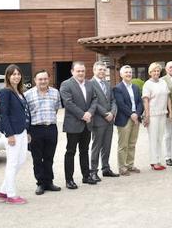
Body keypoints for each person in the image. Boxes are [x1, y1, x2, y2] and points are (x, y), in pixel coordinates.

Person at [60, 61, 98, 189]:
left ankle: (86, 176)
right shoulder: (66, 84)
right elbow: (68, 103)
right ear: (72, 72)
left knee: (84, 150)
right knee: (70, 151)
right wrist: (83, 115)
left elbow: (94, 99)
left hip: (87, 123)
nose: (81, 73)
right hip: (73, 124)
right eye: (78, 71)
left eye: (82, 71)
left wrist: (90, 113)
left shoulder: (89, 84)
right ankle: (69, 180)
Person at [24, 70, 62, 195]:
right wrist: (28, 132)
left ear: (49, 79)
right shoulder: (28, 94)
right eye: (40, 79)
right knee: (37, 158)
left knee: (49, 157)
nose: (43, 81)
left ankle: (49, 182)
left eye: (45, 79)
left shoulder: (55, 93)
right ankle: (40, 183)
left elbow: (56, 109)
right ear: (35, 80)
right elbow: (26, 114)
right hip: (35, 129)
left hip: (51, 128)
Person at [0, 64, 31, 205]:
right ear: (8, 76)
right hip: (12, 133)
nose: (16, 76)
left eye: (18, 74)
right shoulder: (5, 92)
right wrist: (9, 134)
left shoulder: (20, 92)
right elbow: (3, 114)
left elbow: (24, 113)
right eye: (13, 74)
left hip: (22, 131)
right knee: (12, 164)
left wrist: (27, 131)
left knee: (21, 160)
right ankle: (11, 195)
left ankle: (3, 190)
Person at [88, 61, 118, 181]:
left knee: (107, 145)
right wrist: (105, 114)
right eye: (99, 69)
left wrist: (112, 112)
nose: (102, 71)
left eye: (103, 70)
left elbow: (113, 100)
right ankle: (93, 171)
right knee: (97, 146)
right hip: (98, 120)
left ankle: (106, 168)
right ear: (94, 70)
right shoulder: (90, 84)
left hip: (109, 120)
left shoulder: (107, 83)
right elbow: (92, 101)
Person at [113, 65, 144, 175]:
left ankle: (130, 165)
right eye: (126, 72)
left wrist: (137, 113)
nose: (128, 74)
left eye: (130, 72)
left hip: (136, 119)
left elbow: (140, 102)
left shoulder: (136, 87)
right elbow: (121, 104)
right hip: (124, 119)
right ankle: (122, 167)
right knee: (123, 145)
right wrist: (132, 114)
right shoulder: (118, 88)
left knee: (132, 143)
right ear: (121, 74)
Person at [143, 62, 172, 170]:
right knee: (153, 138)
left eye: (158, 71)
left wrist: (170, 111)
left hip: (162, 113)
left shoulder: (163, 82)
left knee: (160, 138)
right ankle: (153, 162)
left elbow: (168, 97)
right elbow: (146, 100)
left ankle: (159, 160)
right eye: (154, 71)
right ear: (150, 72)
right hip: (153, 115)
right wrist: (147, 115)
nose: (156, 73)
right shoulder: (147, 84)